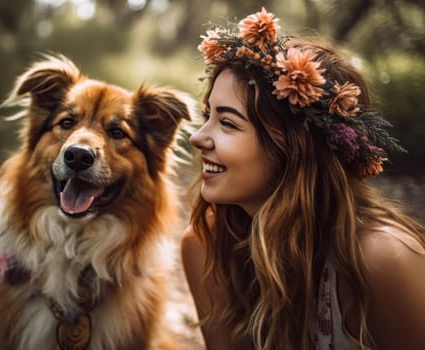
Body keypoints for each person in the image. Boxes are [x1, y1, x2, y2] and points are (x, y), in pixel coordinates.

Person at [181, 7, 425, 350]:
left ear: (292, 149)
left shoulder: (383, 259)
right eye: (209, 115)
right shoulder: (206, 246)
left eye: (228, 123)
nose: (198, 138)